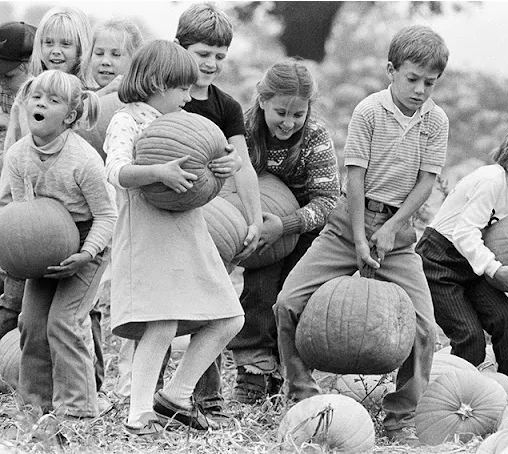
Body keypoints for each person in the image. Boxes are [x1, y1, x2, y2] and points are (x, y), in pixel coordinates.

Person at [273, 25, 448, 447]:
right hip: (346, 224)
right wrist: (360, 237)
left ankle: (402, 413)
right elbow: (355, 177)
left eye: (430, 82)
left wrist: (389, 230)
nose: (421, 90)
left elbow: (426, 183)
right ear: (391, 70)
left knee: (425, 329)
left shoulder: (436, 121)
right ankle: (302, 394)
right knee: (287, 303)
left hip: (398, 234)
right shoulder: (369, 111)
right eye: (412, 79)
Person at [103, 39, 244, 436]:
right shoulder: (126, 120)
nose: (189, 96)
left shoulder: (180, 121)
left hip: (188, 227)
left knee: (230, 317)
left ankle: (177, 394)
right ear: (157, 83)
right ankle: (139, 413)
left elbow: (211, 156)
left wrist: (225, 162)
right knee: (160, 322)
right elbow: (116, 171)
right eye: (182, 88)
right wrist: (158, 173)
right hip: (148, 229)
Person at [0, 69, 116, 418]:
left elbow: (108, 216)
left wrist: (85, 254)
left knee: (63, 322)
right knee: (32, 324)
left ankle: (79, 408)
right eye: (36, 97)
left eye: (53, 100)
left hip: (86, 243)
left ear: (69, 116)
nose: (41, 104)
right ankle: (36, 404)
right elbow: (25, 215)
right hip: (45, 245)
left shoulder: (83, 161)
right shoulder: (18, 156)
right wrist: (20, 257)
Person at [417, 118, 508, 388]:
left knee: (506, 319)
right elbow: (464, 233)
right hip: (440, 261)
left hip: (477, 265)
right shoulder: (491, 181)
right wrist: (494, 269)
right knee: (469, 335)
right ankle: (459, 395)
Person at [229, 60, 340, 405]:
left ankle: (291, 373)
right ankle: (252, 372)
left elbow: (328, 201)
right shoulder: (245, 131)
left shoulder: (316, 137)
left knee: (292, 300)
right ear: (262, 100)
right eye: (281, 112)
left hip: (306, 228)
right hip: (261, 223)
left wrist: (286, 225)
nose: (289, 122)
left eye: (298, 114)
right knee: (259, 292)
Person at [172, 1, 263, 414]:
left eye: (219, 57)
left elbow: (240, 164)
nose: (210, 64)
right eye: (202, 54)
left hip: (210, 222)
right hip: (167, 216)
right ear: (180, 49)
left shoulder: (226, 107)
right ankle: (149, 395)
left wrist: (256, 216)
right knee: (162, 309)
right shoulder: (166, 99)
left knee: (211, 306)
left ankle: (204, 398)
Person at [4, 6, 94, 151]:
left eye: (65, 44)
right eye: (49, 43)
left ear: (81, 48)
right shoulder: (28, 93)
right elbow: (12, 146)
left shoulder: (91, 96)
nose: (56, 51)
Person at [0, 20, 37, 340]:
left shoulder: (36, 106)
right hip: (8, 208)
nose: (2, 82)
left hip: (24, 216)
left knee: (16, 301)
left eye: (9, 75)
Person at [78, 18, 144, 161]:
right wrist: (105, 92)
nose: (105, 61)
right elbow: (73, 120)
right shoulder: (81, 95)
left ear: (135, 60)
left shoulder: (140, 101)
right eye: (99, 53)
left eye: (116, 55)